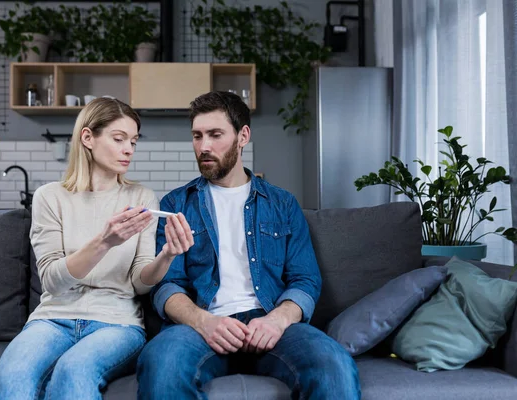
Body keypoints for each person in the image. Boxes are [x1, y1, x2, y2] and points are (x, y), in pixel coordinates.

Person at [136, 91, 361, 399]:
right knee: (163, 365)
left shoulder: (282, 204)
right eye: (197, 136)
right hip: (201, 326)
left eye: (215, 135)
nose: (204, 146)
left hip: (269, 321)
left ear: (243, 136)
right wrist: (203, 321)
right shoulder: (176, 204)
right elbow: (167, 285)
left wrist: (277, 320)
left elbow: (305, 279)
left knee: (333, 365)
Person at [0, 97, 194, 400]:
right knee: (12, 380)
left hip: (117, 323)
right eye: (119, 139)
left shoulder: (142, 198)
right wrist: (104, 242)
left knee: (73, 372)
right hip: (53, 318)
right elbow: (53, 280)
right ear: (88, 138)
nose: (128, 150)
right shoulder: (49, 197)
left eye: (133, 141)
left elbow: (140, 283)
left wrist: (168, 255)